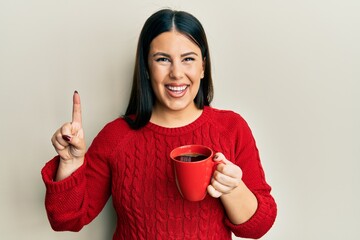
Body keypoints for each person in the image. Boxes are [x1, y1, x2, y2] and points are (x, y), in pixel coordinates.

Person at [41, 9, 277, 239]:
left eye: (188, 59)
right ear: (146, 67)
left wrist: (232, 188)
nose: (176, 73)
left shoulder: (232, 128)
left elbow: (258, 228)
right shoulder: (116, 136)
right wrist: (70, 164)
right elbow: (66, 220)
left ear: (203, 67)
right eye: (163, 59)